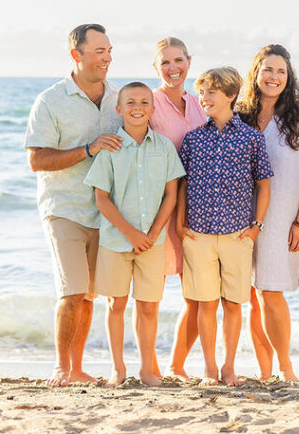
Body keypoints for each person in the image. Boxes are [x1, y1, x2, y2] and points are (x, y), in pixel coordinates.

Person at [24, 23, 122, 387]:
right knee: (72, 291)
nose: (107, 58)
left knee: (90, 295)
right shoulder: (51, 100)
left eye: (109, 51)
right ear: (76, 55)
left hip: (104, 210)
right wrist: (87, 149)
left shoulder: (117, 98)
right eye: (99, 51)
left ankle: (78, 368)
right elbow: (37, 160)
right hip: (63, 208)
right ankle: (61, 368)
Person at [84, 82, 186, 386]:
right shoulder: (111, 147)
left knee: (149, 305)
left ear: (153, 109)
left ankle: (146, 369)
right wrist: (131, 234)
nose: (137, 107)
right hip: (117, 241)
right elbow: (101, 197)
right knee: (116, 303)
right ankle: (118, 368)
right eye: (130, 103)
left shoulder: (164, 147)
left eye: (144, 102)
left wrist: (153, 233)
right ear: (119, 109)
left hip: (153, 244)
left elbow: (172, 194)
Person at [176, 66, 273, 386]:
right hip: (199, 235)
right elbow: (182, 185)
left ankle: (229, 367)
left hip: (237, 235)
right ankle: (208, 369)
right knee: (205, 304)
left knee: (233, 305)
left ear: (232, 95)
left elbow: (264, 184)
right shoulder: (192, 139)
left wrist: (256, 227)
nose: (203, 97)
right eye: (201, 91)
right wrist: (180, 225)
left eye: (211, 92)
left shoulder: (251, 138)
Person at [236, 44, 299, 382]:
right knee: (253, 298)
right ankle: (264, 370)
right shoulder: (240, 114)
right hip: (240, 217)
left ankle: (286, 367)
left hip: (284, 217)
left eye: (281, 71)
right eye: (268, 69)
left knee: (270, 292)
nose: (273, 77)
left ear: (289, 78)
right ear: (256, 73)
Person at [148, 36, 207, 379]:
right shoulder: (149, 102)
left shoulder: (200, 103)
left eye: (178, 61)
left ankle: (176, 365)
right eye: (165, 62)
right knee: (150, 294)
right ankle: (149, 365)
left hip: (196, 210)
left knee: (196, 296)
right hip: (158, 208)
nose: (173, 68)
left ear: (189, 62)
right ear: (155, 67)